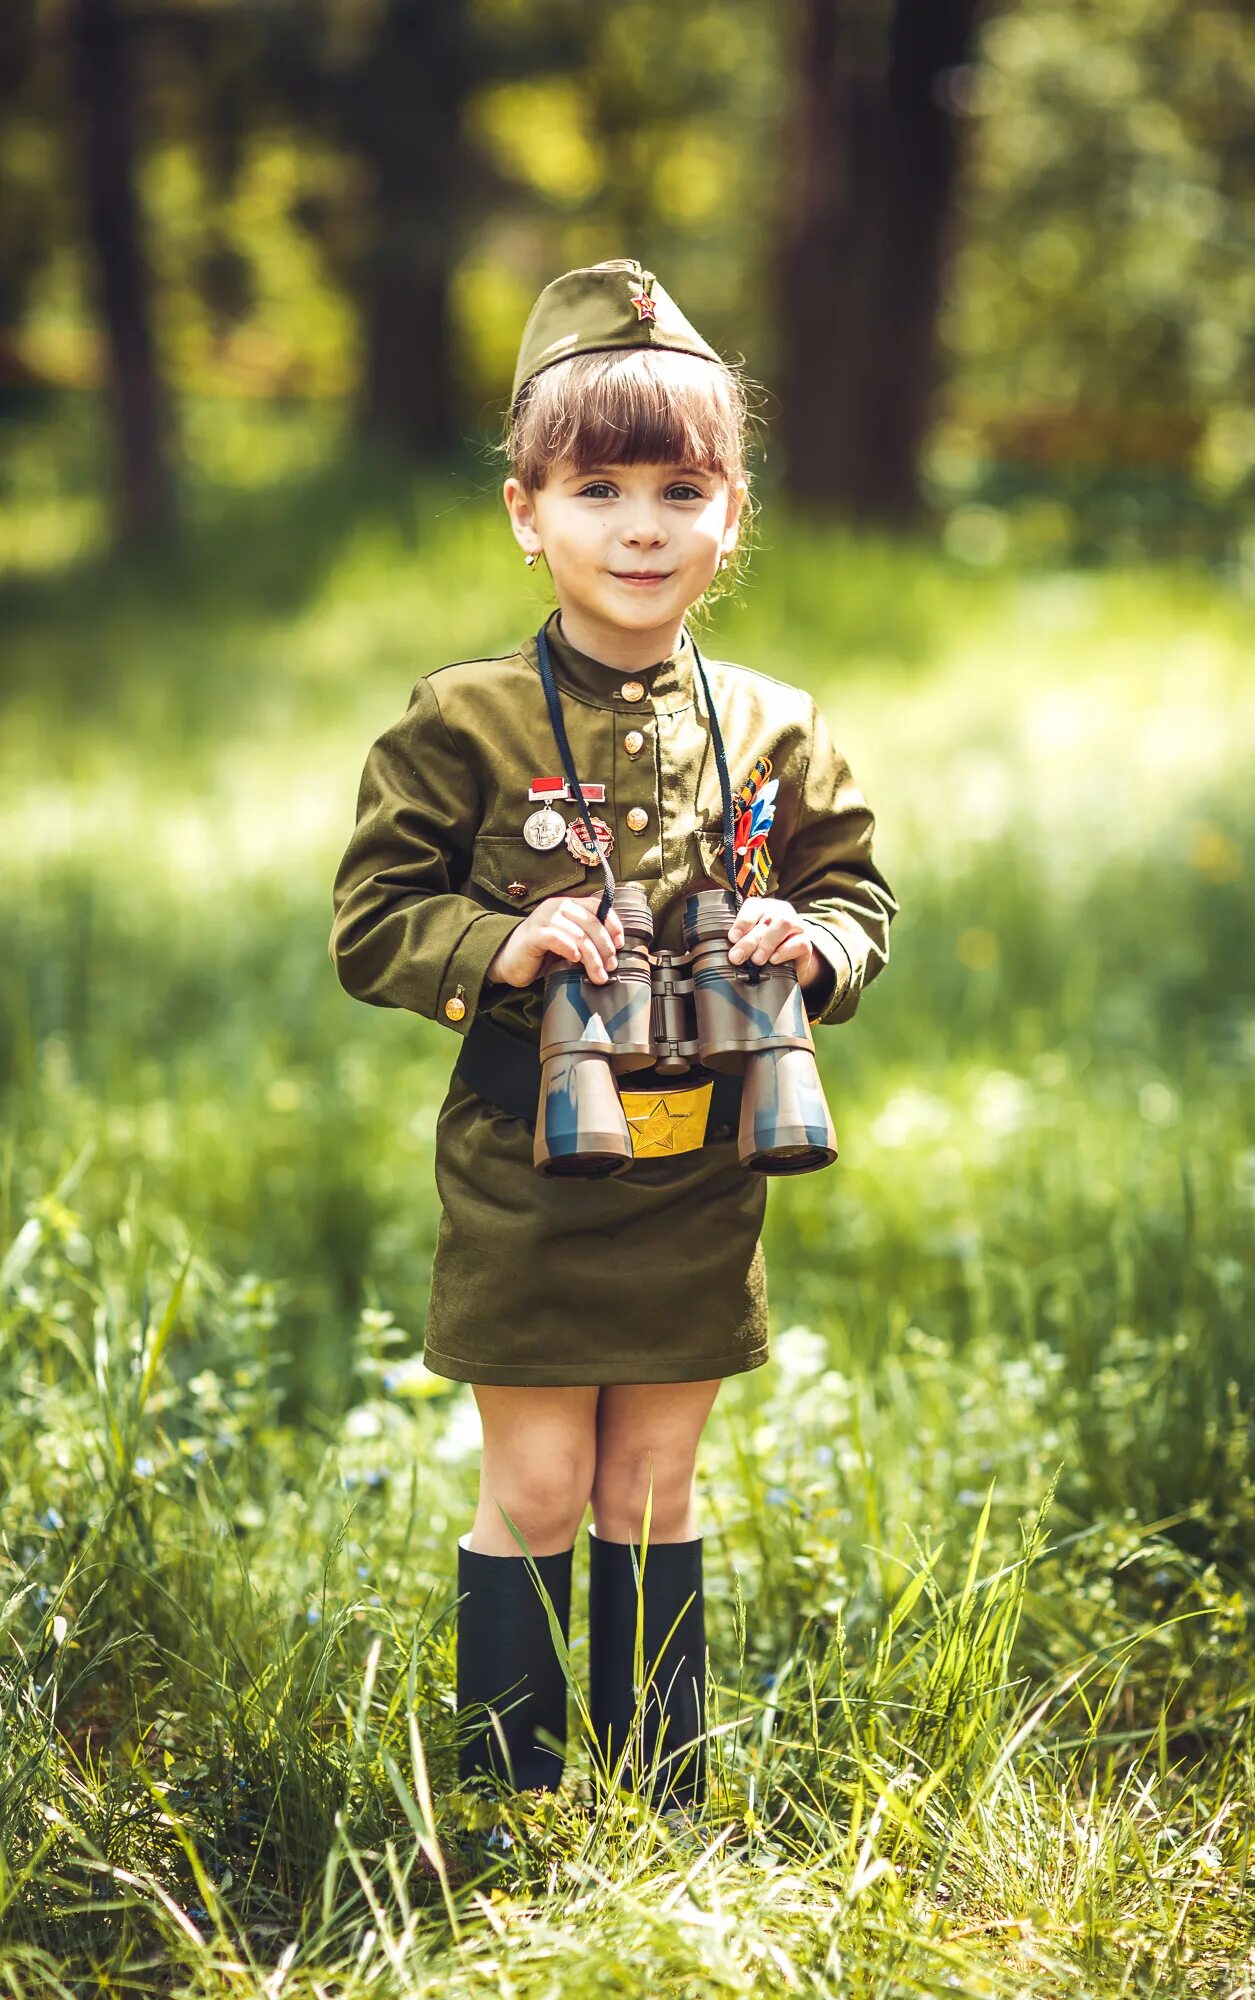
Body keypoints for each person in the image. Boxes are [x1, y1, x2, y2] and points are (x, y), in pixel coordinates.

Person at [328, 257, 898, 1821]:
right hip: (526, 1161)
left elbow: (858, 887)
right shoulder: (463, 722)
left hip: (704, 1165)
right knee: (538, 1488)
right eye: (594, 488)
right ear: (527, 512)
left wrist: (815, 944)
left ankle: (657, 1812)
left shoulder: (778, 726)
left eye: (676, 487)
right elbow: (369, 919)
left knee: (652, 1488)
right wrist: (502, 943)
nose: (637, 525)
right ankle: (509, 1810)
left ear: (731, 514)